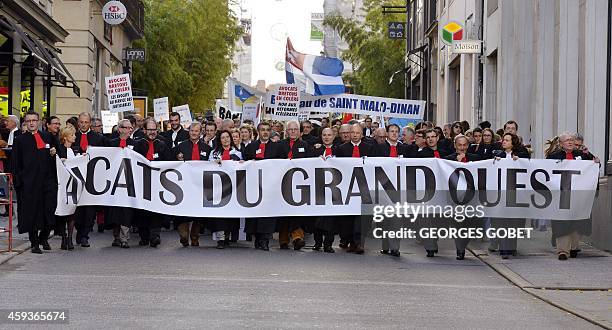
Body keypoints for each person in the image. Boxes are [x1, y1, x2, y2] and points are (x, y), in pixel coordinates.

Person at [547, 132, 599, 260]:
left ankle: (574, 247)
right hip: (561, 195)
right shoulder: (553, 157)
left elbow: (593, 167)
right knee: (561, 222)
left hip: (578, 195)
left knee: (577, 221)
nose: (570, 142)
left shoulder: (581, 155)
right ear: (561, 143)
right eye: (567, 140)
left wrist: (595, 161)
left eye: (571, 140)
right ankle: (562, 251)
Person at [11, 111, 58, 254]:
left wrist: (54, 153)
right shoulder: (20, 140)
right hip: (29, 183)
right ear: (25, 122)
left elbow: (58, 155)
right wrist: (19, 182)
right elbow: (15, 163)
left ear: (39, 122)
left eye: (34, 120)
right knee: (32, 214)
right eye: (28, 120)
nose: (31, 123)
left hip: (48, 182)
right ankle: (34, 243)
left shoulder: (47, 137)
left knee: (50, 212)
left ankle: (44, 237)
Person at [335, 123, 374, 254]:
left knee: (361, 215)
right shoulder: (341, 148)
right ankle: (348, 239)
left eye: (358, 133)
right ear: (349, 133)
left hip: (364, 186)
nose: (355, 135)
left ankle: (358, 243)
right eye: (353, 132)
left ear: (362, 134)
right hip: (347, 187)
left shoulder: (370, 148)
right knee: (348, 216)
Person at [491, 133, 530, 259]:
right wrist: (495, 162)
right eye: (503, 140)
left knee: (514, 222)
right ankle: (504, 249)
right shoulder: (498, 155)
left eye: (507, 140)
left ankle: (512, 247)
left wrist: (520, 162)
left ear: (513, 142)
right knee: (501, 222)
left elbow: (528, 167)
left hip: (516, 194)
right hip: (501, 194)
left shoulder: (522, 155)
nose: (503, 142)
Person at [133, 118, 171, 247]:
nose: (152, 132)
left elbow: (168, 162)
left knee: (156, 210)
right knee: (142, 212)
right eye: (149, 129)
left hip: (157, 183)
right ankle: (144, 236)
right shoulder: (137, 144)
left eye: (154, 129)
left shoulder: (162, 144)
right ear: (144, 130)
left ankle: (155, 235)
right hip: (141, 183)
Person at [276, 121, 313, 250]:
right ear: (286, 131)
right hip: (283, 183)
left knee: (296, 211)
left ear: (299, 131)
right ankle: (283, 239)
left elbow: (311, 162)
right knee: (284, 212)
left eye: (295, 129)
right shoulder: (280, 145)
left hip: (299, 184)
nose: (292, 131)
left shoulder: (305, 145)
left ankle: (297, 237)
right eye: (290, 129)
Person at [444, 135, 482, 260]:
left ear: (468, 146)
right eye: (459, 145)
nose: (462, 148)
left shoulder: (475, 159)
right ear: (455, 146)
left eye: (464, 145)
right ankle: (460, 249)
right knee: (457, 225)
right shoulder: (448, 160)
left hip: (471, 198)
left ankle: (463, 243)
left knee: (471, 224)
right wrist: (458, 163)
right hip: (455, 199)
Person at [243, 122, 279, 251]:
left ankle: (265, 240)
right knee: (255, 213)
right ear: (258, 132)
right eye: (262, 130)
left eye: (267, 130)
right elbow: (244, 163)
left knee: (267, 214)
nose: (265, 132)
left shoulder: (277, 147)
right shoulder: (251, 146)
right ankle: (257, 239)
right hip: (254, 185)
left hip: (270, 185)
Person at [175, 122, 212, 247]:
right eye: (191, 131)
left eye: (196, 131)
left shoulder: (207, 148)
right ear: (189, 131)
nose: (194, 133)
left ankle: (195, 237)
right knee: (184, 210)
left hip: (200, 185)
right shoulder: (180, 146)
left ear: (200, 132)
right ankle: (184, 236)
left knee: (197, 212)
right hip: (184, 185)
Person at [374, 124, 407, 257]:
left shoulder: (405, 148)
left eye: (396, 131)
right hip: (383, 188)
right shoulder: (379, 148)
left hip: (399, 189)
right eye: (391, 131)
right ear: (387, 133)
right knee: (384, 220)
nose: (394, 134)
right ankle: (385, 245)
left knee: (396, 219)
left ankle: (395, 247)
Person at [73, 112, 105, 247]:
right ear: (78, 123)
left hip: (92, 178)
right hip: (76, 178)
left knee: (90, 209)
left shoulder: (98, 138)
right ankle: (79, 232)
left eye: (86, 122)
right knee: (78, 209)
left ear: (90, 123)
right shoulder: (73, 137)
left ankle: (85, 235)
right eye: (81, 122)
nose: (83, 124)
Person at [417, 128, 450, 257]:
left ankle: (434, 238)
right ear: (425, 139)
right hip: (428, 191)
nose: (431, 139)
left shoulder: (445, 153)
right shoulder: (421, 154)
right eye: (428, 137)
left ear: (437, 138)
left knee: (441, 221)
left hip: (442, 191)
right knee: (428, 220)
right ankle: (430, 245)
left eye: (433, 136)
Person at [104, 119, 137, 248]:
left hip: (129, 182)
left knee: (126, 210)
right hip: (114, 182)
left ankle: (125, 238)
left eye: (131, 128)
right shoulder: (111, 143)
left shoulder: (135, 144)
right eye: (127, 128)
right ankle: (116, 236)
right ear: (120, 129)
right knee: (115, 210)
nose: (130, 130)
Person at [208, 130, 243, 249]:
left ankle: (227, 235)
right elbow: (207, 167)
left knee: (230, 213)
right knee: (219, 213)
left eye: (227, 137)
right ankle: (220, 238)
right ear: (220, 139)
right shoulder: (214, 153)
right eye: (223, 137)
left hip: (233, 188)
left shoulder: (238, 153)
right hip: (218, 188)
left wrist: (242, 163)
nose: (226, 139)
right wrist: (214, 163)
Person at [311, 128, 338, 253]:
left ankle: (328, 244)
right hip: (318, 187)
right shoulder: (315, 149)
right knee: (317, 215)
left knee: (331, 217)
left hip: (334, 188)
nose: (327, 137)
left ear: (334, 136)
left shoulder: (340, 150)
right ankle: (317, 242)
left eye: (329, 135)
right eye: (324, 135)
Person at [55, 125, 79, 250]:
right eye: (72, 135)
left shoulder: (75, 149)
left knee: (72, 213)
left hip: (74, 186)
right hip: (62, 186)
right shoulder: (60, 150)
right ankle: (64, 237)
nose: (74, 137)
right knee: (63, 213)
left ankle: (69, 238)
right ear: (65, 137)